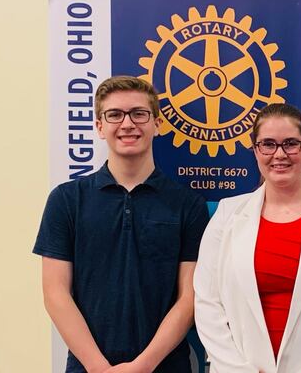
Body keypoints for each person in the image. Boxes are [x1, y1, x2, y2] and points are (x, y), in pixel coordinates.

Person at [33, 75, 210, 372]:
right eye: (114, 115)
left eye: (139, 113)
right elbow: (55, 292)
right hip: (87, 367)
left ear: (157, 123)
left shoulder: (188, 204)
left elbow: (189, 298)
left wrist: (143, 366)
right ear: (100, 127)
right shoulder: (66, 200)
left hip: (166, 366)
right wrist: (99, 368)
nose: (127, 124)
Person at [194, 103, 301, 373]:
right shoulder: (227, 214)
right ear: (255, 150)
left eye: (291, 143)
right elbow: (207, 303)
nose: (279, 154)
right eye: (268, 144)